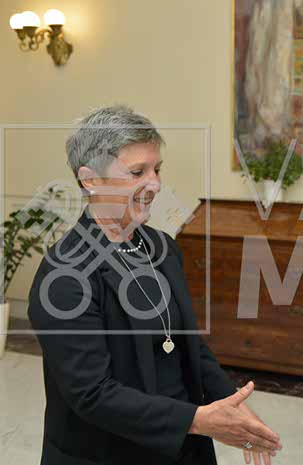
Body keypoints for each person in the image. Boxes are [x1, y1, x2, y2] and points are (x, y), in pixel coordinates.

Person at [27, 105, 283, 465]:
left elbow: (189, 345)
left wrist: (233, 407)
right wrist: (198, 420)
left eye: (157, 169)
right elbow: (92, 394)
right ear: (90, 180)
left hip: (183, 446)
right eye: (137, 172)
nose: (156, 184)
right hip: (106, 454)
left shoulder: (161, 248)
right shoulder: (64, 275)